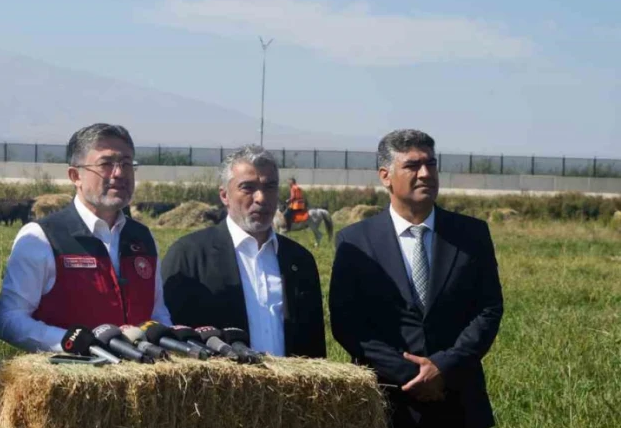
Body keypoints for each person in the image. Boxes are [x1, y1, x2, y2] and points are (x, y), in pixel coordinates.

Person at [330, 130, 503, 428]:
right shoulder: (355, 242)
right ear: (385, 176)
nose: (425, 174)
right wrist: (409, 374)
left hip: (460, 399)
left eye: (431, 164)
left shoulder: (471, 235)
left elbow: (488, 309)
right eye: (412, 166)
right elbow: (348, 323)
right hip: (387, 401)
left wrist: (444, 366)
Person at [0, 123, 173, 352]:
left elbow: (157, 312)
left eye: (127, 164)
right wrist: (74, 343)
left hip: (137, 379)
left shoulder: (143, 237)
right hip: (69, 379)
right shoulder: (42, 237)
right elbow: (10, 320)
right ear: (75, 175)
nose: (119, 173)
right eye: (106, 164)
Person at [161, 146, 326, 357]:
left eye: (270, 187)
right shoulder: (189, 256)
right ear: (224, 195)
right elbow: (173, 341)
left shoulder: (299, 260)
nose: (261, 198)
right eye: (248, 188)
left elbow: (315, 347)